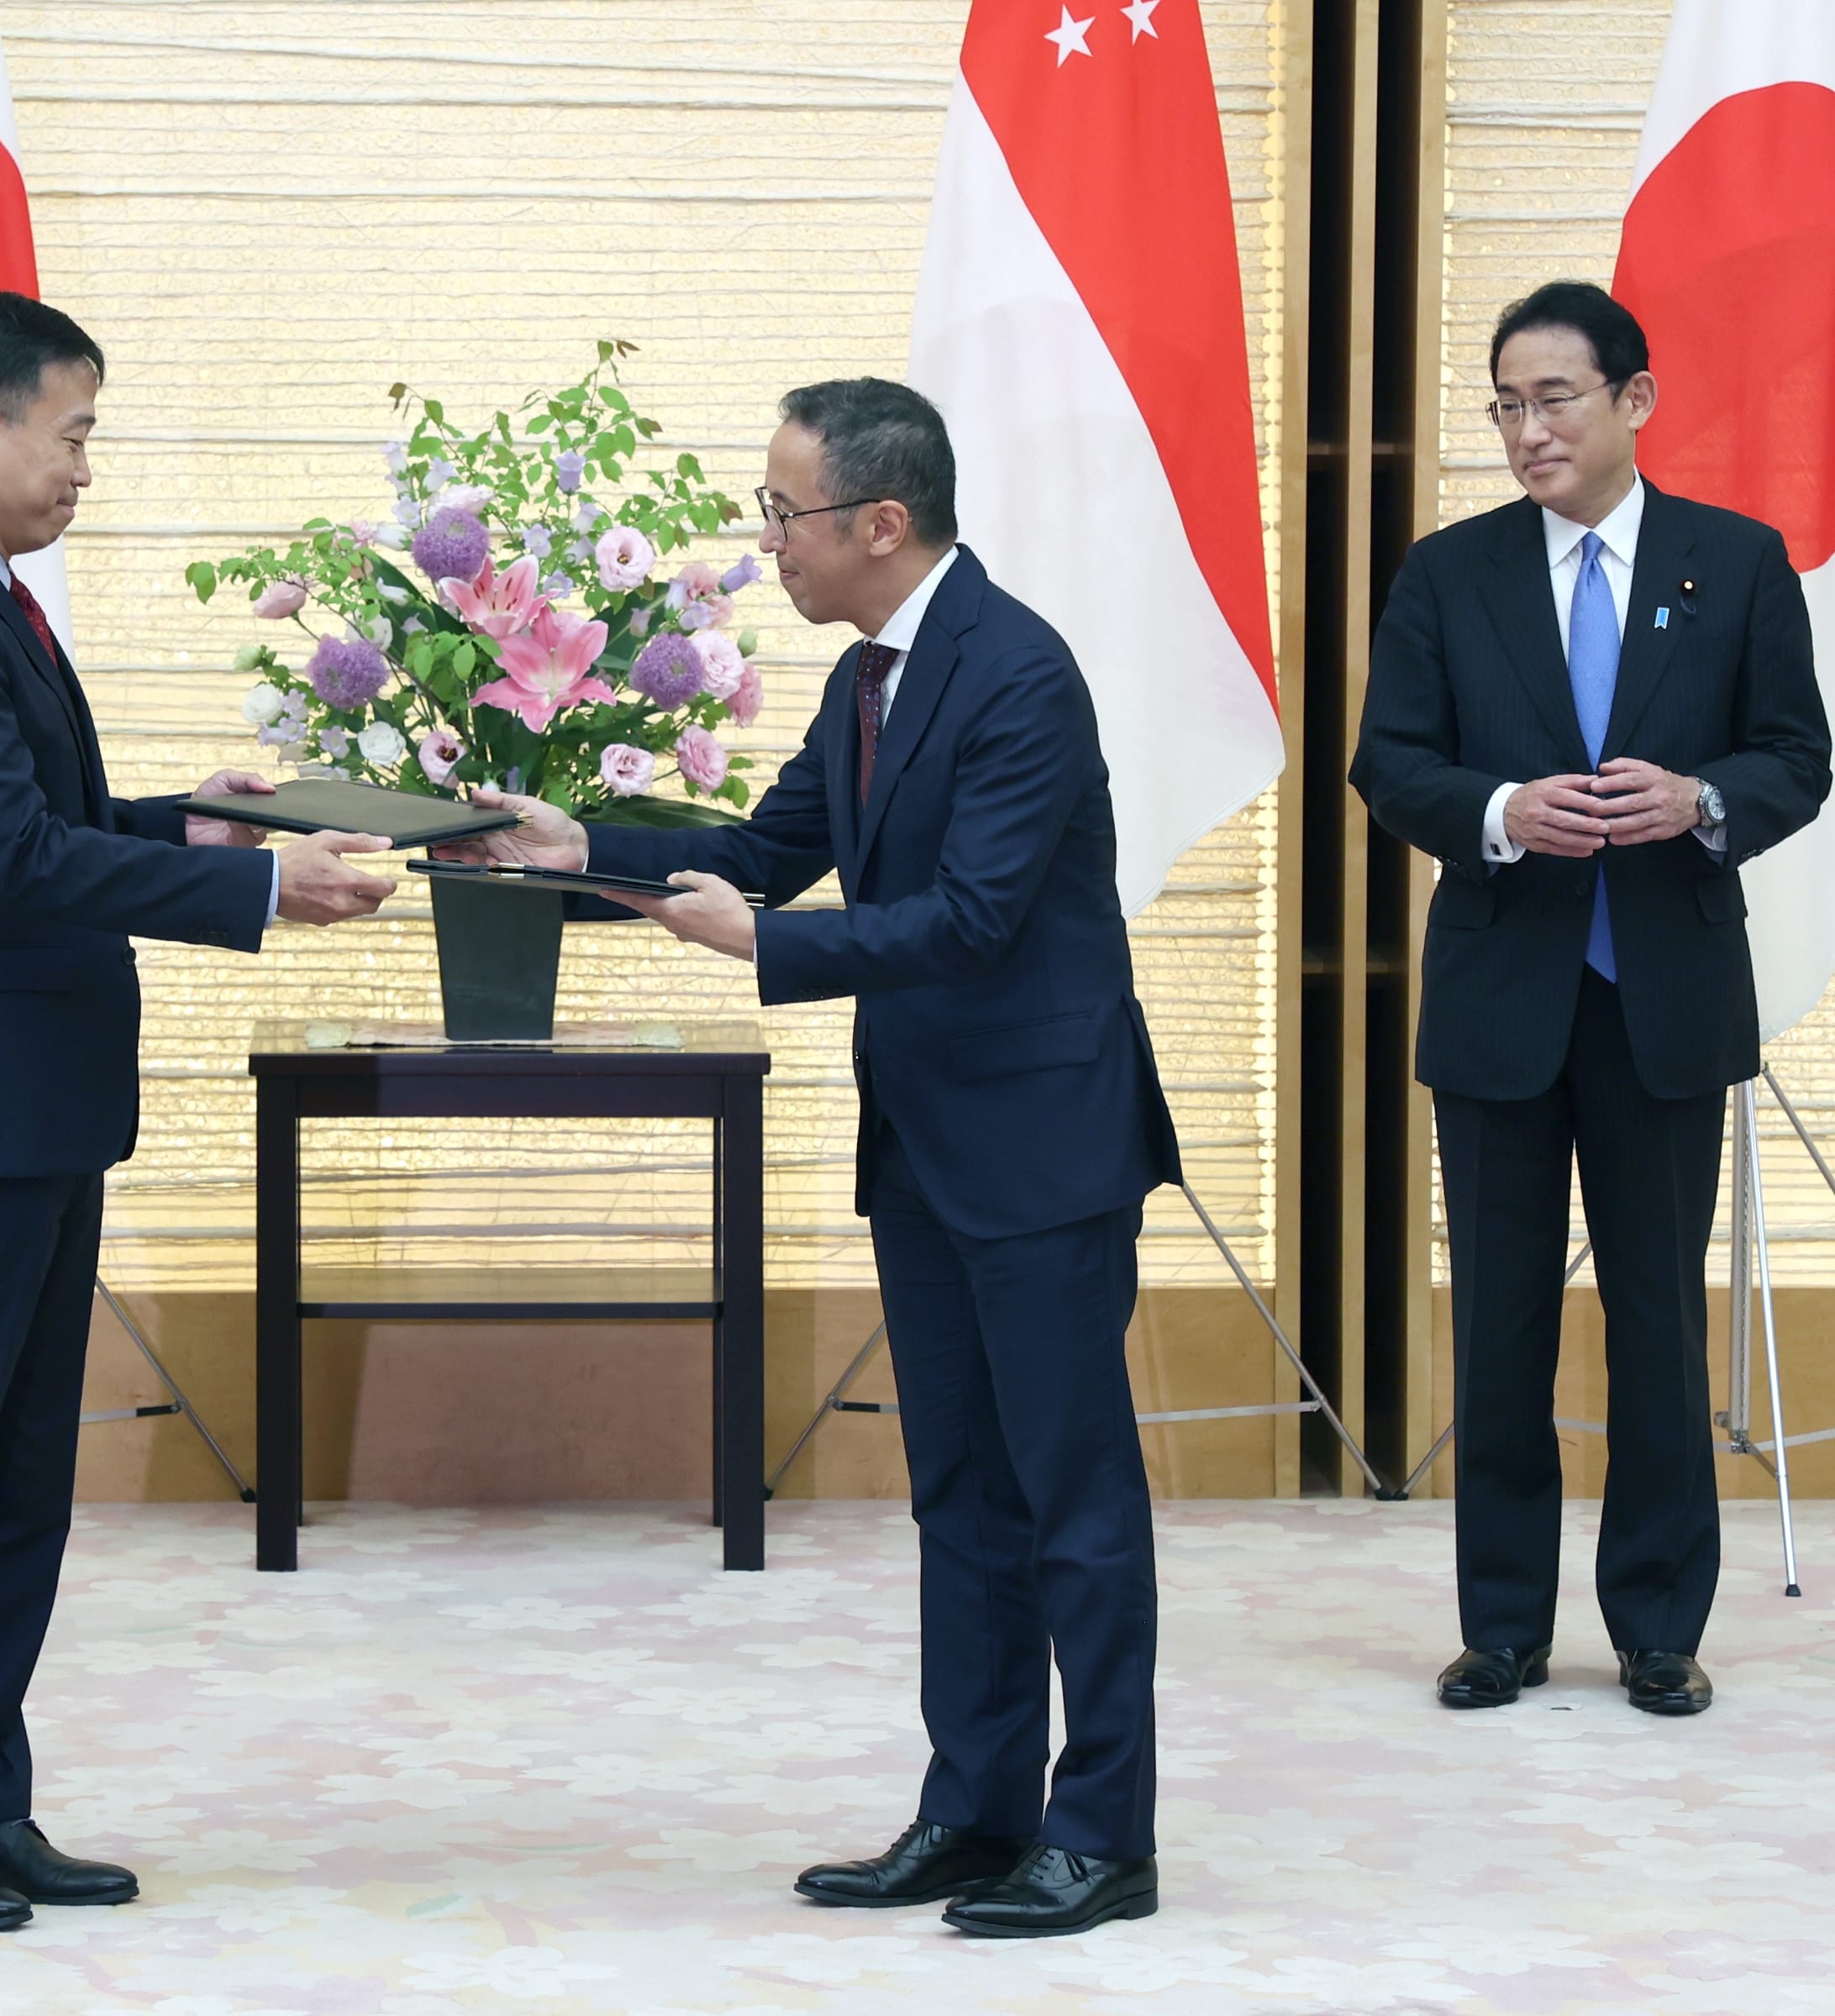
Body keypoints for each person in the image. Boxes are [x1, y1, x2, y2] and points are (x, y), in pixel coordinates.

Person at [446, 379, 1178, 1940]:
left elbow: (975, 921)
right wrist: (578, 851)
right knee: (960, 1495)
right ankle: (976, 1810)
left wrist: (767, 950)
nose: (763, 538)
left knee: (1072, 1496)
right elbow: (770, 851)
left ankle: (1103, 1831)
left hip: (1043, 1145)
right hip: (926, 1138)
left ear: (880, 523)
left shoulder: (1016, 673)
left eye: (782, 512)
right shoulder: (870, 679)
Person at [0, 291, 395, 1935]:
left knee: (10, 1487)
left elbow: (49, 818)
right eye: (73, 433)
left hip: (28, 1114)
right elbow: (11, 863)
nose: (81, 469)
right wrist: (261, 891)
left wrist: (198, 825)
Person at [1351, 281, 1831, 1718]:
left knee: (1656, 1326)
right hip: (1505, 999)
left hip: (1664, 1000)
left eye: (1553, 398)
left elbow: (1796, 759)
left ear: (1636, 401)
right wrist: (1500, 810)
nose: (1525, 429)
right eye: (1504, 404)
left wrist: (1701, 799)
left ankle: (1658, 1629)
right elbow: (1391, 761)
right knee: (1498, 1325)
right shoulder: (1451, 573)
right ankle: (1501, 1626)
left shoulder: (1735, 564)